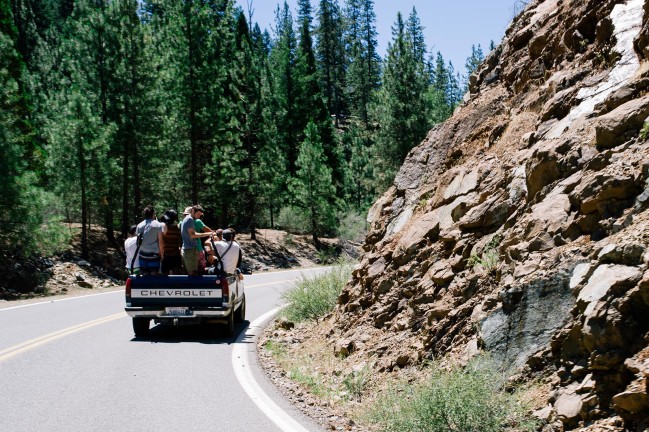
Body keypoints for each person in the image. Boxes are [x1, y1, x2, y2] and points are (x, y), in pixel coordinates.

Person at [180, 205, 213, 276]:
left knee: (189, 272)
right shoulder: (189, 219)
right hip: (190, 250)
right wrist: (209, 233)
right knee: (192, 273)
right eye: (198, 214)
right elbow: (193, 235)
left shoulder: (187, 219)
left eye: (200, 215)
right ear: (192, 211)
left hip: (188, 249)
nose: (198, 216)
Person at [136, 205, 165, 275]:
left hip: (142, 254)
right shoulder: (158, 225)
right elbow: (160, 241)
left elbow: (137, 241)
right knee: (153, 274)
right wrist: (162, 254)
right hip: (154, 255)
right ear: (153, 214)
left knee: (144, 274)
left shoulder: (139, 225)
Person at [160, 209, 182, 275]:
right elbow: (179, 242)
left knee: (165, 275)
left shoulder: (164, 228)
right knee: (177, 274)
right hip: (176, 254)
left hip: (166, 255)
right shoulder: (178, 228)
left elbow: (161, 242)